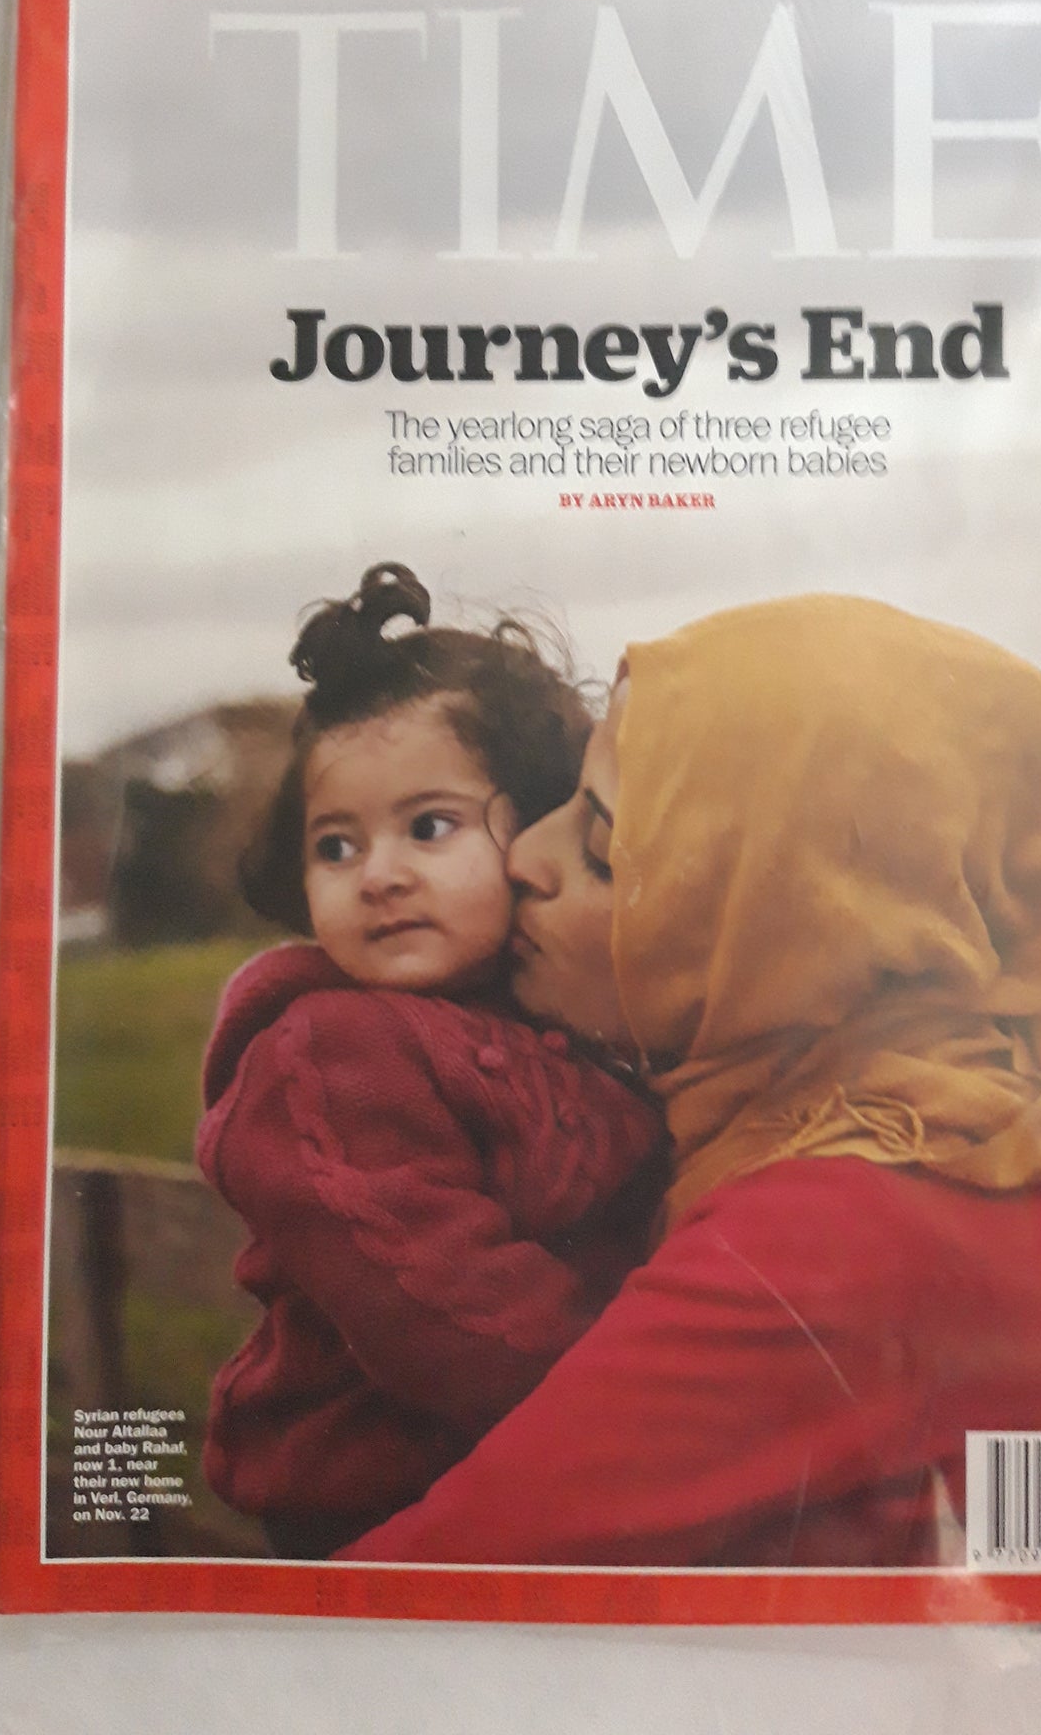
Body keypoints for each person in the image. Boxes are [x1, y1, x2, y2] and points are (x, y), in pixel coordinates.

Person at [339, 593, 1041, 1568]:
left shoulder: (845, 1225)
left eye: (603, 850)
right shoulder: (975, 1095)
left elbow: (424, 1579)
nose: (525, 858)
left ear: (784, 924)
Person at [195, 564, 663, 1559]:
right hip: (374, 1503)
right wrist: (647, 1400)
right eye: (335, 846)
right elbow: (438, 1305)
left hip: (526, 1465)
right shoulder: (334, 1055)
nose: (380, 875)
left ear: (538, 825)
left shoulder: (562, 1005)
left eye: (429, 827)